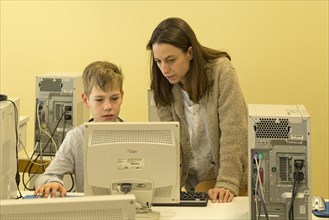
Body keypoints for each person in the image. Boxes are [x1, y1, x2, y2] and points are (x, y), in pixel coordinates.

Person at [146, 17, 248, 203]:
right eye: (158, 61)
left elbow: (234, 131)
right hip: (197, 185)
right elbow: (170, 143)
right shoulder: (162, 85)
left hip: (232, 182)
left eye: (171, 60)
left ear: (190, 53)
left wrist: (226, 181)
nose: (164, 69)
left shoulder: (221, 72)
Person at [34, 61, 124, 198]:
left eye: (114, 98)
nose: (108, 106)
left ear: (122, 96)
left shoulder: (134, 135)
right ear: (86, 100)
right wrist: (53, 182)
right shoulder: (77, 137)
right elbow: (45, 177)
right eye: (99, 100)